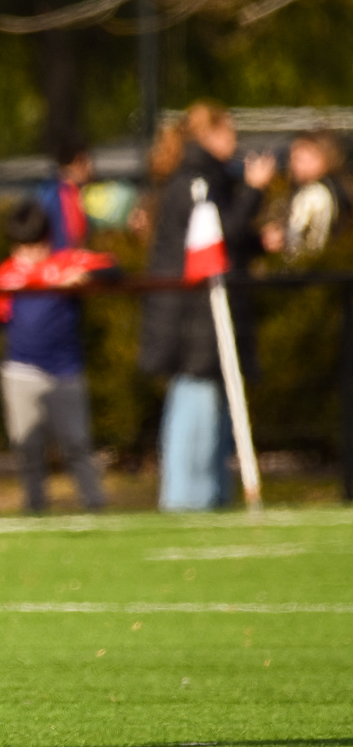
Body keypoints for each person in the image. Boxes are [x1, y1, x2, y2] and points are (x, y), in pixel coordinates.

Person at [139, 100, 274, 511]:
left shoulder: (210, 177)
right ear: (208, 135)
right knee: (194, 405)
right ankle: (185, 499)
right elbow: (214, 237)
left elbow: (227, 238)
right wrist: (255, 189)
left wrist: (257, 241)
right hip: (193, 318)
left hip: (205, 315)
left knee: (215, 408)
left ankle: (212, 496)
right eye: (228, 132)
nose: (235, 142)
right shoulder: (195, 180)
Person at [0, 200, 118, 513]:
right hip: (20, 371)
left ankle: (94, 503)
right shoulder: (5, 275)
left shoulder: (66, 262)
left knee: (76, 442)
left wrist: (83, 278)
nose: (30, 255)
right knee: (27, 446)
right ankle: (35, 507)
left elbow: (112, 267)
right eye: (23, 247)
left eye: (36, 246)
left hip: (65, 371)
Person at [261, 131, 350, 262]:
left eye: (299, 158)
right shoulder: (337, 187)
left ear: (322, 158)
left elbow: (307, 246)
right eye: (292, 158)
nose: (293, 164)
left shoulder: (315, 194)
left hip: (314, 272)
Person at [37, 136, 94, 251]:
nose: (90, 168)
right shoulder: (58, 194)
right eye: (86, 161)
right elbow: (72, 237)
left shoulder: (73, 192)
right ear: (76, 163)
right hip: (60, 262)